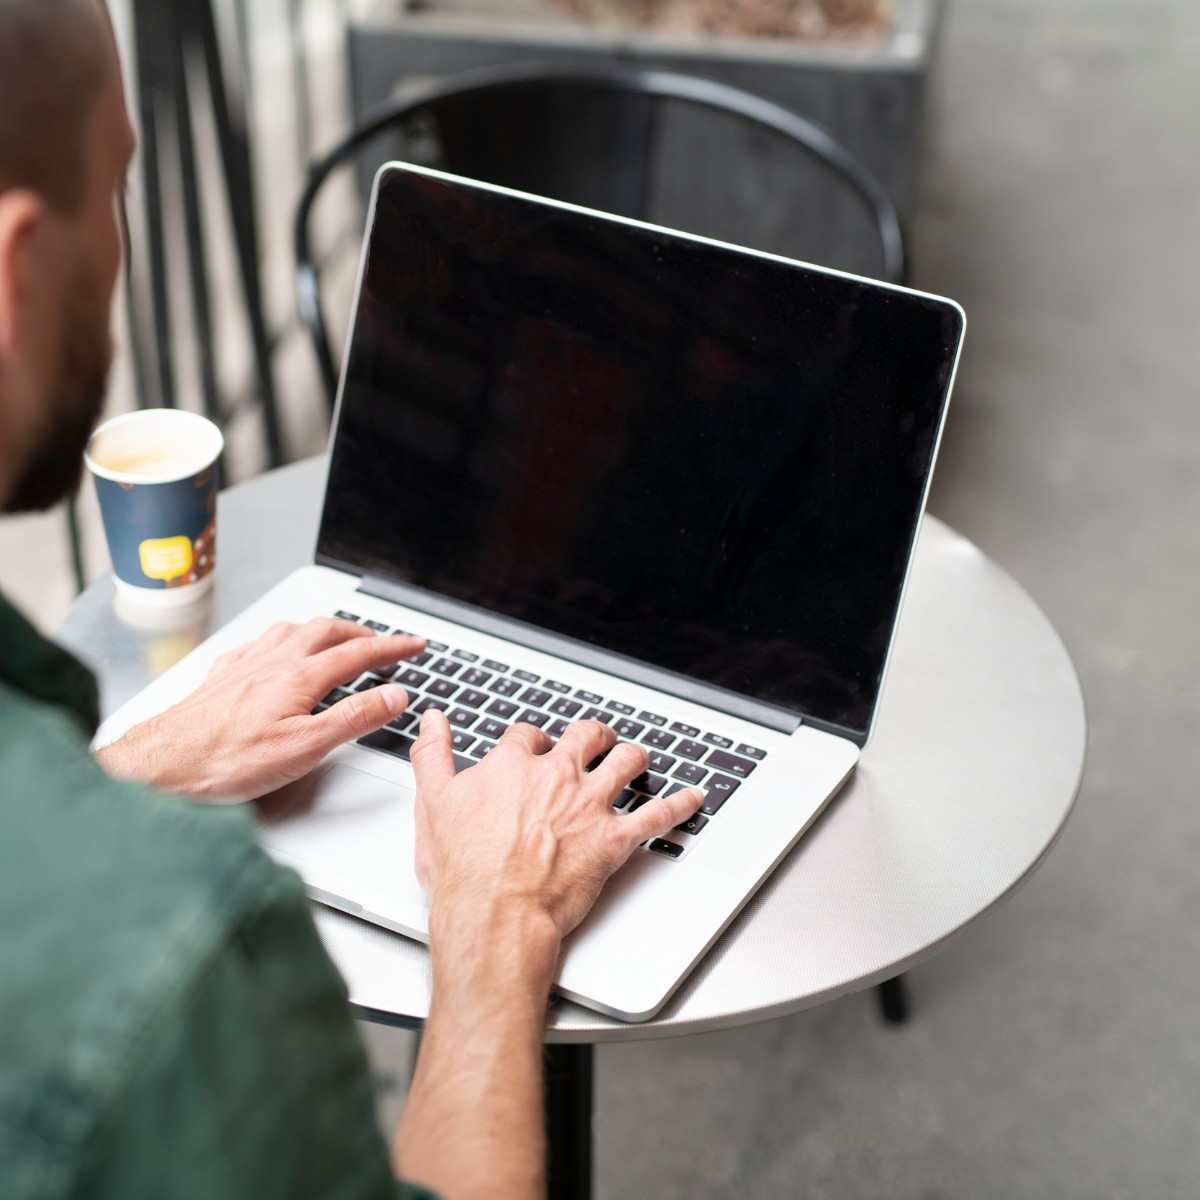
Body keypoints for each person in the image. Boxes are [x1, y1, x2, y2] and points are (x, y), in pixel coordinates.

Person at [0, 3, 703, 1197]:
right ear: (13, 274)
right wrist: (492, 931)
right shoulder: (180, 958)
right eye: (115, 185)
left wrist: (133, 766)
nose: (118, 244)